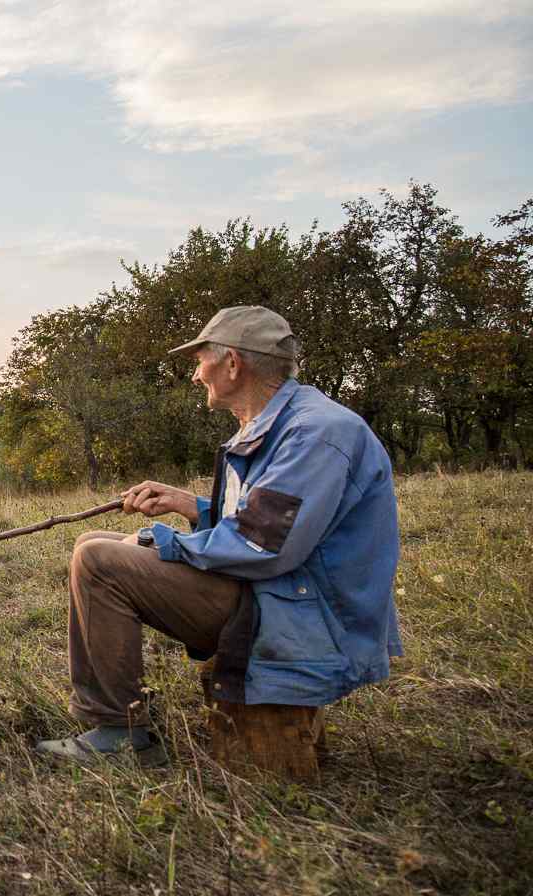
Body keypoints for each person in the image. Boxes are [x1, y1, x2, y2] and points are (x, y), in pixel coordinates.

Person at [35, 305, 403, 766]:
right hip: (285, 594)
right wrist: (192, 507)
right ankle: (117, 722)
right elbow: (270, 522)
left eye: (200, 359)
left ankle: (122, 735)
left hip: (307, 616)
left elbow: (262, 547)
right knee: (93, 542)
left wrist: (159, 541)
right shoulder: (281, 424)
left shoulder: (314, 434)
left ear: (233, 364)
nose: (195, 375)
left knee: (101, 562)